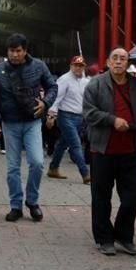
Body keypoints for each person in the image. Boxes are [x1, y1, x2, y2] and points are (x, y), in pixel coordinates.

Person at [82, 47, 136, 256]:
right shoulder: (95, 84)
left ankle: (124, 236)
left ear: (128, 63)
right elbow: (89, 113)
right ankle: (104, 238)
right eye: (115, 58)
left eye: (123, 59)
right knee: (101, 196)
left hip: (130, 150)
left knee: (135, 193)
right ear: (107, 62)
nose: (118, 62)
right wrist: (112, 120)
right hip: (102, 149)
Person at [0, 33, 57, 222]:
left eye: (18, 51)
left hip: (32, 122)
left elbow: (52, 87)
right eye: (11, 51)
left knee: (37, 162)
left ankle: (32, 201)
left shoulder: (38, 66)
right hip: (9, 124)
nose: (14, 55)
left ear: (25, 51)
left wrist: (45, 103)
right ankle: (15, 205)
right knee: (12, 168)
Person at [47, 55, 91, 184]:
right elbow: (56, 98)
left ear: (84, 67)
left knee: (63, 144)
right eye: (76, 65)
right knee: (75, 144)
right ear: (71, 66)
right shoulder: (64, 79)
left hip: (79, 117)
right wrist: (51, 116)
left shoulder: (86, 81)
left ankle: (53, 168)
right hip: (65, 116)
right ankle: (85, 173)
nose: (78, 68)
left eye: (81, 66)